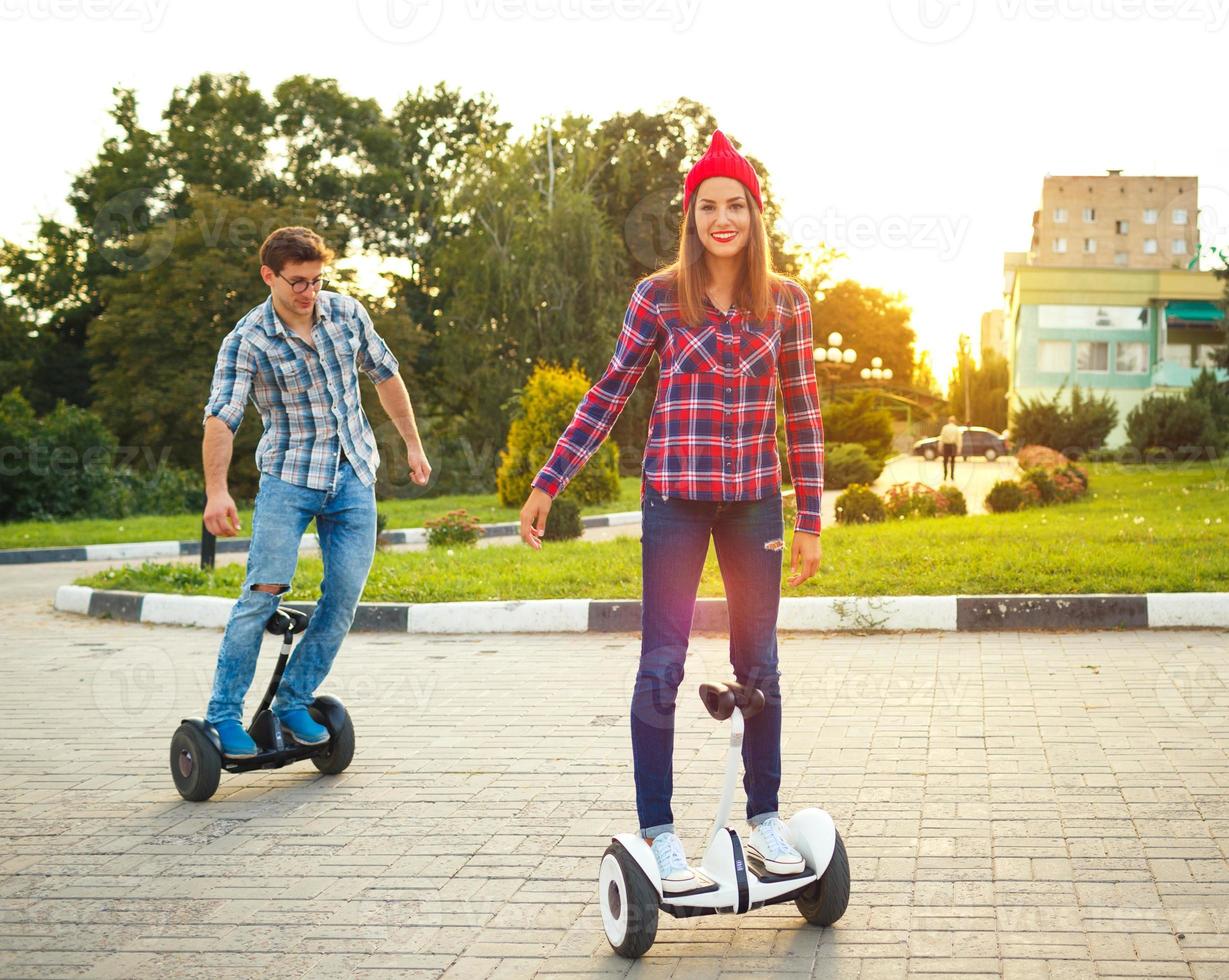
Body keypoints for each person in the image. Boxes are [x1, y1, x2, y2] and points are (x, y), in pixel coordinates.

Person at [518, 132, 825, 892]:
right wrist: (549, 480)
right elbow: (609, 390)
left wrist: (810, 517)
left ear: (755, 215)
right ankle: (658, 832)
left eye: (735, 207)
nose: (722, 220)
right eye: (707, 208)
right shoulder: (658, 296)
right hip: (673, 502)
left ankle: (764, 818)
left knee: (760, 666)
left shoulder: (786, 302)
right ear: (689, 218)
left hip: (753, 503)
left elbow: (804, 412)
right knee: (662, 664)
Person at [200, 226, 430, 759]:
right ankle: (223, 715)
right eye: (298, 281)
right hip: (288, 479)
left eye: (317, 280)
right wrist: (216, 491)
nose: (309, 291)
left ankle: (292, 700)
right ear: (269, 276)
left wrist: (412, 447)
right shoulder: (248, 339)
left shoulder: (347, 315)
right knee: (262, 596)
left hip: (353, 474)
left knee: (344, 598)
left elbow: (386, 375)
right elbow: (221, 417)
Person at [939, 415, 963, 482]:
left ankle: (945, 475)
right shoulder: (956, 428)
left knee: (945, 461)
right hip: (953, 446)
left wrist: (940, 446)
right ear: (954, 421)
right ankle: (952, 476)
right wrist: (959, 448)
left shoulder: (945, 428)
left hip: (946, 445)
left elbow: (942, 438)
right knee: (952, 461)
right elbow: (959, 439)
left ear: (948, 421)